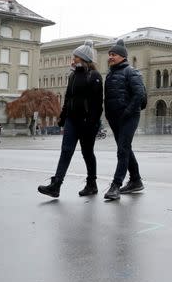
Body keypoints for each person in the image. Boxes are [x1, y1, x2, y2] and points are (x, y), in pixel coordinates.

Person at [37, 40, 103, 198]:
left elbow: (97, 104)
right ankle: (56, 185)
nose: (72, 60)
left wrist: (91, 122)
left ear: (84, 59)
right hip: (72, 121)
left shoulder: (94, 76)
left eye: (75, 58)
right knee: (66, 151)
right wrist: (62, 117)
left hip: (87, 122)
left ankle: (91, 184)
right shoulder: (73, 75)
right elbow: (68, 98)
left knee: (87, 153)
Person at [103, 39, 147, 200]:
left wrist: (127, 112)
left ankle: (116, 185)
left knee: (122, 150)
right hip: (115, 118)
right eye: (109, 55)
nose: (110, 57)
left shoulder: (131, 72)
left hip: (129, 117)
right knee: (125, 149)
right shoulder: (110, 74)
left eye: (113, 54)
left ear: (122, 56)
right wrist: (108, 114)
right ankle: (136, 180)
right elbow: (108, 97)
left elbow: (139, 95)